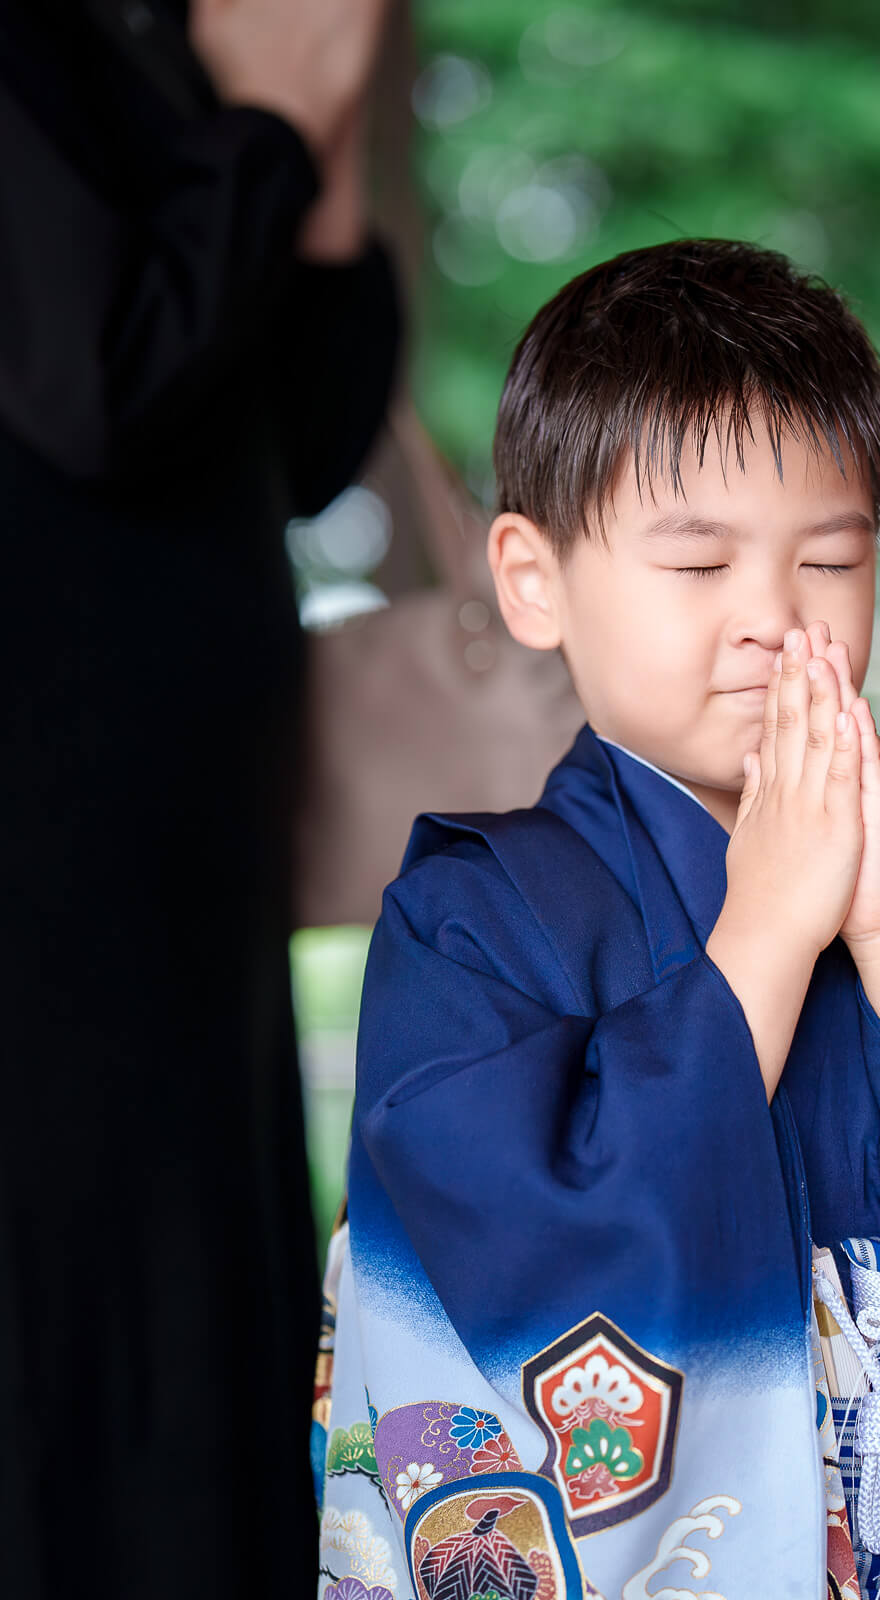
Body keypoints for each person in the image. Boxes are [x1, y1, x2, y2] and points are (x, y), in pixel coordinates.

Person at [316, 241, 880, 1600]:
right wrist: (768, 939)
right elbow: (505, 1246)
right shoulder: (472, 918)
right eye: (699, 563)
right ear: (533, 579)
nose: (775, 622)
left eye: (830, 561)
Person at [0, 0, 397, 1592]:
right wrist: (269, 127)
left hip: (181, 820)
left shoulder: (149, 28)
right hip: (46, 818)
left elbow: (299, 443)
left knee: (200, 1276)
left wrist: (324, 138)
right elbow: (92, 375)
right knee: (75, 1304)